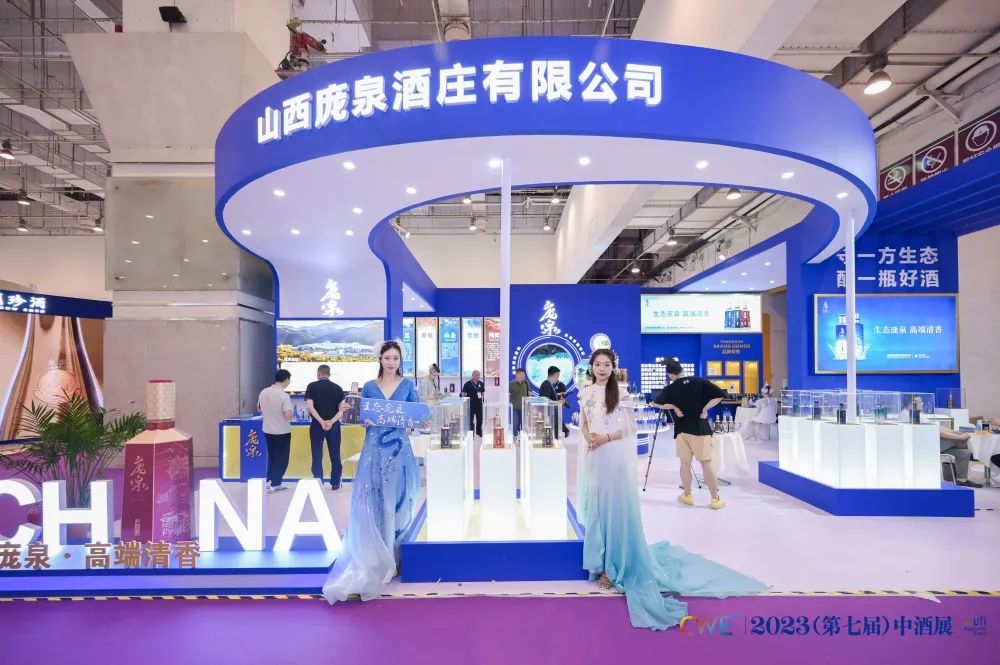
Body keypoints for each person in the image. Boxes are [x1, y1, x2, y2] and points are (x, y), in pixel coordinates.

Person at [577, 349, 767, 630]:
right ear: (591, 367)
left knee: (615, 510)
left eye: (607, 364)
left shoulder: (622, 393)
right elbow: (584, 421)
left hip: (613, 456)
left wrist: (604, 437)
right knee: (597, 507)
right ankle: (598, 562)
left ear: (613, 367)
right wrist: (589, 438)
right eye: (598, 364)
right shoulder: (586, 392)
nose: (602, 368)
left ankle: (615, 566)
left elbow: (628, 428)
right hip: (595, 455)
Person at [323, 341, 422, 603]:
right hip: (374, 449)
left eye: (395, 358)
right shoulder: (368, 387)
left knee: (398, 500)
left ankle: (395, 556)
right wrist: (352, 414)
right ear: (380, 359)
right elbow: (360, 419)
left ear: (400, 361)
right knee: (374, 499)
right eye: (387, 358)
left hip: (399, 449)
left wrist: (413, 421)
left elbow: (417, 417)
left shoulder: (408, 386)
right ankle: (376, 558)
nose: (391, 363)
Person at [653, 359, 727, 509]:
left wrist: (674, 407)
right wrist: (705, 409)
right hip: (700, 429)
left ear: (670, 375)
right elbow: (720, 395)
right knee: (706, 463)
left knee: (685, 464)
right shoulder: (699, 381)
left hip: (681, 431)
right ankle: (715, 499)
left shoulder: (671, 388)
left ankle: (687, 495)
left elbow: (657, 403)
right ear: (681, 369)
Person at [305, 364, 349, 490]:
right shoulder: (338, 388)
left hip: (317, 425)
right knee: (335, 454)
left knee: (317, 454)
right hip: (333, 426)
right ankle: (335, 483)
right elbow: (343, 409)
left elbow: (310, 407)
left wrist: (321, 421)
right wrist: (331, 422)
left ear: (318, 374)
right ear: (329, 374)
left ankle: (318, 482)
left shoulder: (311, 386)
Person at [257, 369, 293, 493]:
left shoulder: (263, 392)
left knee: (272, 457)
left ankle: (270, 481)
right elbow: (288, 415)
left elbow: (259, 409)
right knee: (282, 459)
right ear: (286, 379)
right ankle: (276, 483)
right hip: (282, 431)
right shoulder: (284, 395)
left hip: (267, 430)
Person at [538, 366, 569, 438]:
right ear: (555, 374)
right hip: (549, 417)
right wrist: (558, 403)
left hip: (552, 416)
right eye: (558, 375)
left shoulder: (548, 384)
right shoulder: (546, 384)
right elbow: (545, 400)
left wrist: (558, 400)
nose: (558, 378)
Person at [462, 370, 486, 437]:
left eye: (478, 375)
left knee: (480, 419)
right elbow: (463, 393)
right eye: (476, 375)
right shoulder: (467, 384)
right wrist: (464, 401)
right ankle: (471, 433)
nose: (477, 376)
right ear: (472, 375)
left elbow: (482, 393)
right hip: (470, 405)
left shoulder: (481, 383)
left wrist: (482, 400)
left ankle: (479, 432)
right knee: (470, 419)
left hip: (479, 404)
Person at [509, 368, 529, 437]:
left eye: (523, 374)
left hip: (524, 408)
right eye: (521, 374)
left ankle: (522, 438)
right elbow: (508, 394)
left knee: (523, 424)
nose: (522, 376)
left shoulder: (526, 383)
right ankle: (515, 437)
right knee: (515, 424)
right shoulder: (511, 384)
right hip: (514, 408)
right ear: (516, 375)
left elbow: (529, 393)